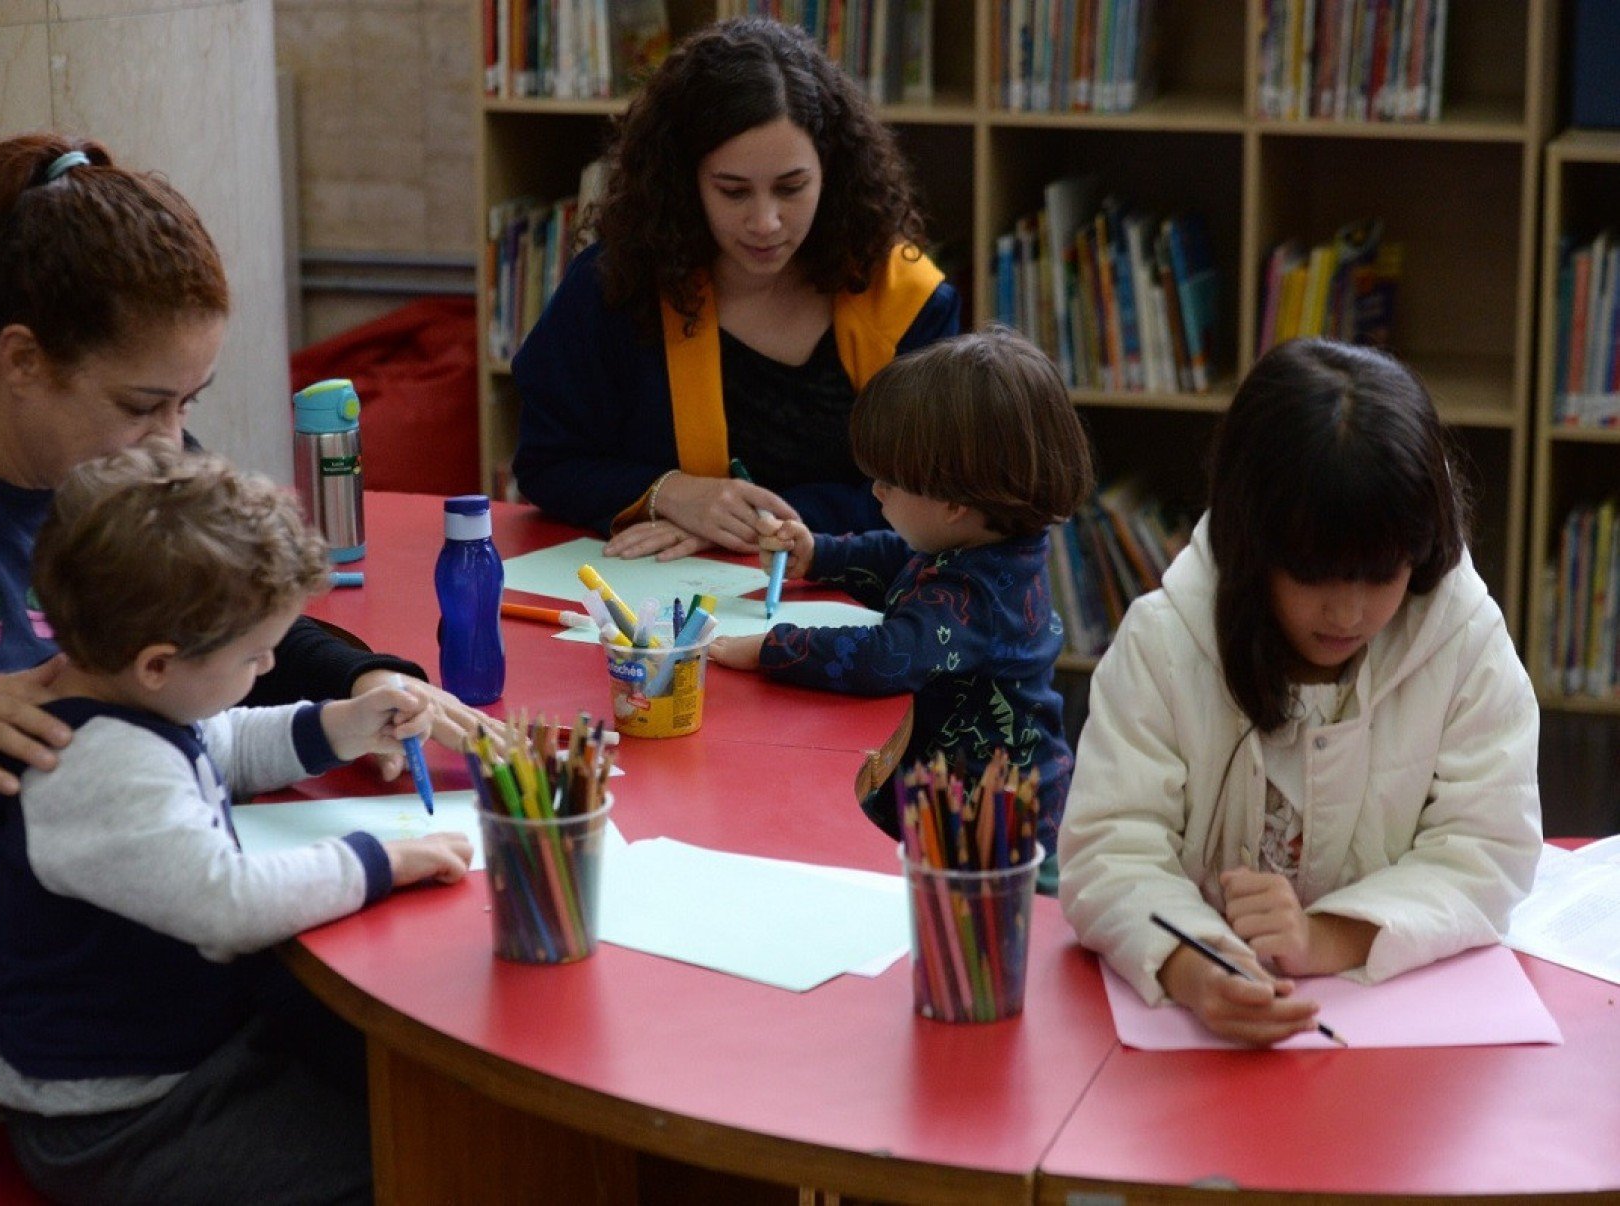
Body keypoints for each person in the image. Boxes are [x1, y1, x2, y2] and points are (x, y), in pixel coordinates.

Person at [0, 132, 496, 1204]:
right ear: (22, 359)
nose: (174, 439)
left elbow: (243, 641)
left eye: (189, 400)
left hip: (135, 968)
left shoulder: (139, 460)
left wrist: (366, 686)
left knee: (424, 1106)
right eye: (144, 405)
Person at [0, 443, 471, 1204]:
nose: (268, 669)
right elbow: (228, 906)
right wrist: (384, 859)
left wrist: (338, 724)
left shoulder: (134, 702)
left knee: (394, 1091)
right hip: (118, 1114)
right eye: (255, 655)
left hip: (186, 1048)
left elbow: (223, 739)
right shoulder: (100, 768)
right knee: (405, 1169)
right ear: (159, 665)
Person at [1058, 338, 1543, 1047]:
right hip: (1194, 1058)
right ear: (1253, 544)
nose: (1347, 614)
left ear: (1421, 548)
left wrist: (1321, 939)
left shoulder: (1463, 640)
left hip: (1392, 1045)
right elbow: (1110, 849)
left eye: (1381, 576)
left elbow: (1487, 848)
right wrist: (1198, 967)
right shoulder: (1166, 642)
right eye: (1315, 576)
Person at [511, 15, 961, 558]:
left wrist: (742, 523)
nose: (766, 222)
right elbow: (547, 462)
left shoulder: (905, 299)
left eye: (791, 188)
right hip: (660, 605)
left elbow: (935, 497)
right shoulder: (621, 281)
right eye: (733, 191)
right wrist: (671, 495)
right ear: (686, 182)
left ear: (832, 171)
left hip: (846, 603)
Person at [708, 329, 1093, 887]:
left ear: (955, 504)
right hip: (951, 791)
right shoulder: (986, 546)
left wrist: (774, 647)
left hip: (995, 830)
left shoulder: (978, 596)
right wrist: (817, 554)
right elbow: (903, 557)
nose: (876, 492)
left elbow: (888, 656)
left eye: (890, 482)